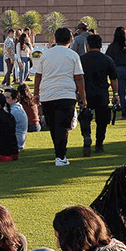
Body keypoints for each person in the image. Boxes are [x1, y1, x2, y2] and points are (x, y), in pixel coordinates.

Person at [33, 27, 87, 168]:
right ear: (70, 40)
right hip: (66, 94)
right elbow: (79, 78)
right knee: (63, 127)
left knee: (53, 126)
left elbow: (38, 76)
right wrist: (83, 97)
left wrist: (36, 94)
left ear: (55, 39)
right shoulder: (73, 55)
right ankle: (61, 156)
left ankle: (59, 154)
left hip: (47, 94)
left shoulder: (45, 55)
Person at [80, 34, 118, 155]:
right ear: (101, 46)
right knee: (102, 121)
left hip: (86, 94)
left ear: (87, 46)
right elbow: (113, 79)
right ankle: (99, 144)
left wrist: (77, 93)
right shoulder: (107, 59)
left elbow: (76, 78)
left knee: (85, 118)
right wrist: (115, 94)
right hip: (102, 94)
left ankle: (86, 136)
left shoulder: (81, 59)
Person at [105, 27, 126, 120]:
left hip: (118, 69)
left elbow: (108, 59)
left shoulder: (112, 46)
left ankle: (124, 114)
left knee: (122, 93)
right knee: (124, 90)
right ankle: (120, 107)